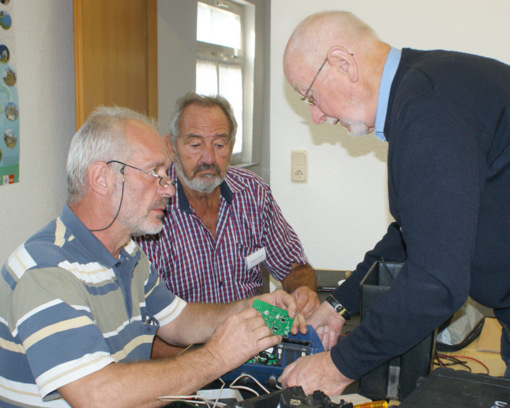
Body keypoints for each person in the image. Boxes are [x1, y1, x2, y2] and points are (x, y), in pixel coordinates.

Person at [0, 106, 306, 408]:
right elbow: (98, 396)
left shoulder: (127, 252)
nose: (169, 189)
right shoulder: (46, 272)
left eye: (165, 174)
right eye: (154, 174)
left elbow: (179, 320)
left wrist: (249, 308)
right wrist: (218, 356)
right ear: (102, 178)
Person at [279, 10, 510, 396]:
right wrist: (337, 305)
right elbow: (412, 233)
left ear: (342, 63)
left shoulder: (427, 109)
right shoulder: (426, 87)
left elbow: (436, 282)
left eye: (311, 96)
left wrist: (336, 367)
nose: (316, 116)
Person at [137, 93, 319, 317]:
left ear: (231, 146)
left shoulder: (253, 192)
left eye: (219, 144)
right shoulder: (153, 206)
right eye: (195, 144)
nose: (209, 158)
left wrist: (303, 292)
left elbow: (295, 267)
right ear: (172, 147)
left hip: (254, 336)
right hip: (187, 348)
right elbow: (147, 320)